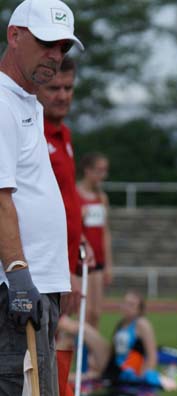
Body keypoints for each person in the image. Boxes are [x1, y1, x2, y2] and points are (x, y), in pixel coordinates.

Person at [0, 0, 84, 396]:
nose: (54, 56)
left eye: (62, 48)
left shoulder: (27, 103)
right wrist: (19, 273)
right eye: (45, 44)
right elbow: (1, 198)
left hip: (41, 285)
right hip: (16, 289)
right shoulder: (2, 103)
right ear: (14, 36)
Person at [36, 55, 84, 317]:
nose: (63, 96)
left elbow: (65, 199)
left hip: (64, 266)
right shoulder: (33, 134)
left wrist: (80, 238)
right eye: (54, 88)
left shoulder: (64, 134)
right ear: (37, 87)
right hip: (46, 270)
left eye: (68, 87)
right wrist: (64, 271)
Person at [56, 290, 174, 391]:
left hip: (128, 371)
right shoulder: (122, 324)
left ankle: (59, 320)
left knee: (84, 329)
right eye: (125, 303)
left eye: (131, 305)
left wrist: (141, 379)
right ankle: (55, 373)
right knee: (72, 337)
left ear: (139, 309)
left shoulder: (142, 324)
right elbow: (116, 350)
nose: (127, 307)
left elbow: (152, 356)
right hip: (114, 365)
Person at [75, 152, 112, 329]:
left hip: (99, 261)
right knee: (85, 312)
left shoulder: (102, 198)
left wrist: (108, 265)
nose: (103, 175)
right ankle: (74, 345)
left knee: (96, 313)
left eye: (105, 171)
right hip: (82, 260)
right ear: (87, 170)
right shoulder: (74, 194)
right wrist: (79, 218)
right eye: (99, 170)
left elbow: (105, 232)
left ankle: (90, 348)